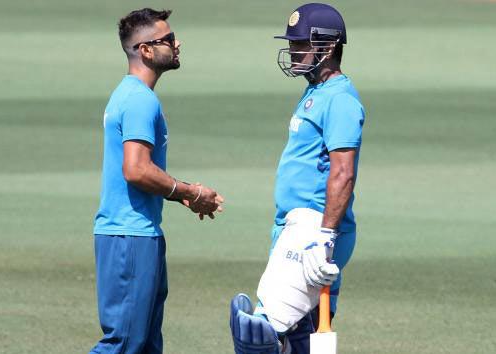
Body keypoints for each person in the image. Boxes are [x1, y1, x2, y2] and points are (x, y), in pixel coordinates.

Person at [230, 3, 365, 354]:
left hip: (312, 229)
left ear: (329, 46)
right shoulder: (315, 92)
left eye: (300, 44)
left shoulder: (340, 100)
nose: (293, 51)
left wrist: (325, 237)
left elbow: (343, 172)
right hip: (295, 227)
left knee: (258, 336)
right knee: (297, 337)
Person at [90, 8, 224, 354]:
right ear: (145, 50)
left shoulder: (131, 95)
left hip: (137, 234)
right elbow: (136, 170)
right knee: (124, 344)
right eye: (167, 40)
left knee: (146, 345)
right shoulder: (138, 100)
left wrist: (181, 196)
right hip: (129, 236)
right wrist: (190, 192)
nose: (176, 44)